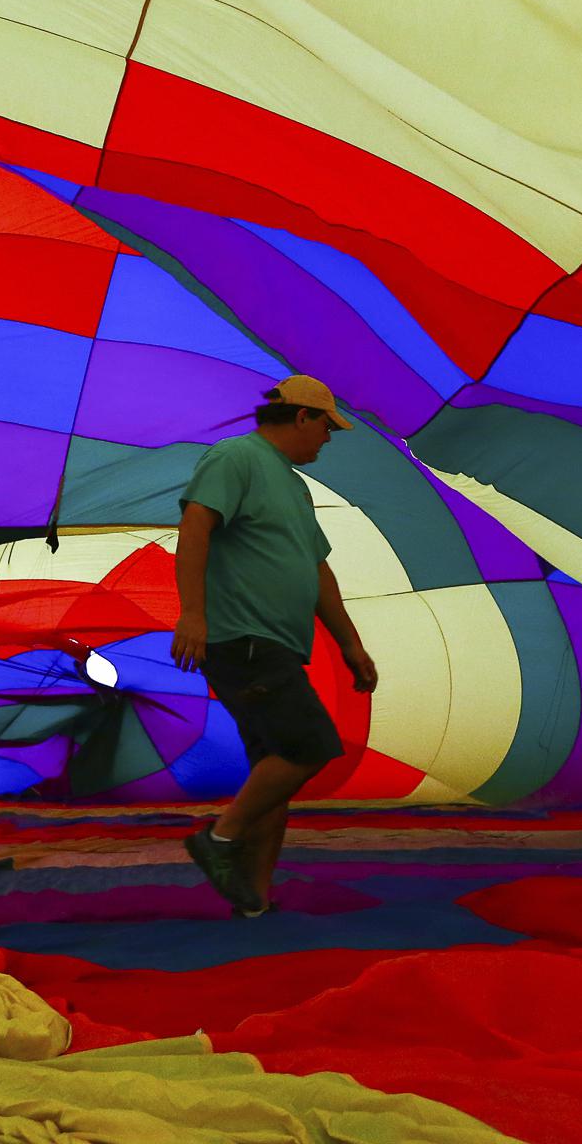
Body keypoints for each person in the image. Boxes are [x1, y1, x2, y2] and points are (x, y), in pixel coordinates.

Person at [173, 374, 379, 916]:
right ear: (303, 417)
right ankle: (218, 839)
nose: (329, 439)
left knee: (275, 766)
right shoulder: (235, 457)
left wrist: (350, 644)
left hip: (279, 643)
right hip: (243, 638)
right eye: (327, 427)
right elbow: (195, 528)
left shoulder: (295, 486)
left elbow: (317, 571)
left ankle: (253, 899)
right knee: (309, 746)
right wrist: (193, 614)